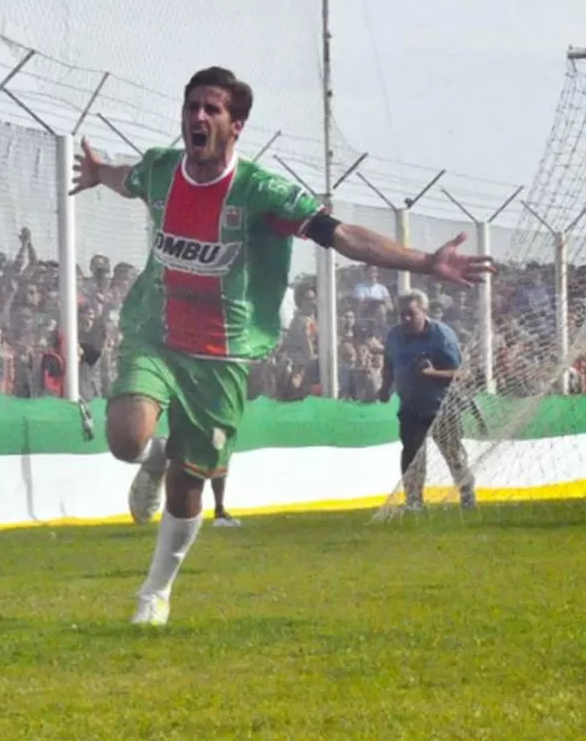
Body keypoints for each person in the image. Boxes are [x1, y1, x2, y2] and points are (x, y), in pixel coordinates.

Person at [70, 66, 493, 626]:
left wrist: (422, 262)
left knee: (189, 484)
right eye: (191, 106)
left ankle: (156, 590)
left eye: (211, 109)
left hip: (222, 352)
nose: (197, 117)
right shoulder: (161, 170)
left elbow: (341, 234)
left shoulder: (261, 192)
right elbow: (130, 178)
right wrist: (99, 173)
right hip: (157, 331)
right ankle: (149, 458)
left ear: (235, 125)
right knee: (126, 437)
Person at [380, 289, 475, 510]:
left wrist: (434, 374)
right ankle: (414, 500)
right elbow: (388, 364)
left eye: (411, 314)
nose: (405, 319)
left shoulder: (442, 336)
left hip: (442, 406)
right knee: (412, 454)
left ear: (424, 312)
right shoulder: (394, 336)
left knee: (453, 454)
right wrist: (385, 387)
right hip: (411, 406)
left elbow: (462, 373)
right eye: (401, 314)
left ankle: (466, 492)